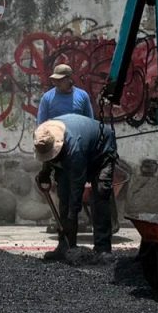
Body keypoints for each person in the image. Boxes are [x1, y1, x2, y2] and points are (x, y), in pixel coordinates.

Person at [34, 113, 118, 264]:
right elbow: (47, 154)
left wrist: (72, 218)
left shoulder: (74, 150)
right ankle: (65, 246)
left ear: (59, 146)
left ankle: (103, 248)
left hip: (101, 152)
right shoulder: (45, 135)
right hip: (77, 150)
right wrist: (45, 172)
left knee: (100, 194)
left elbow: (77, 189)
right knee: (63, 195)